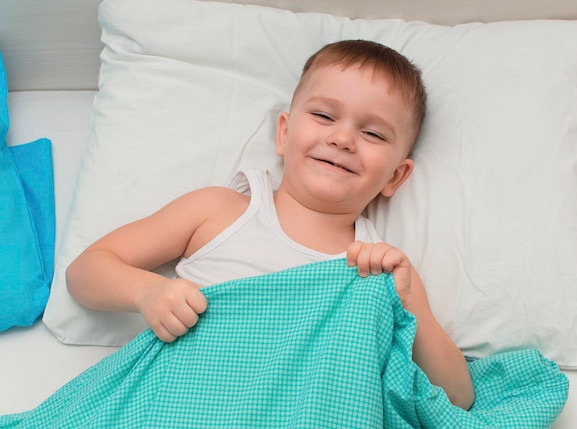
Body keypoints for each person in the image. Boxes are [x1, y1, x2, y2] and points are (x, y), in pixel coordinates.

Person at [66, 40, 475, 410]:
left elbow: (458, 396)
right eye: (324, 115)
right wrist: (147, 292)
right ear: (284, 133)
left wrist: (407, 305)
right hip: (185, 402)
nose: (343, 139)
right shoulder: (219, 210)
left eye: (372, 132)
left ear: (395, 178)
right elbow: (85, 271)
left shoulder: (382, 270)